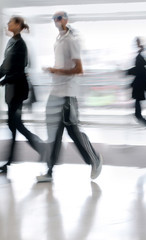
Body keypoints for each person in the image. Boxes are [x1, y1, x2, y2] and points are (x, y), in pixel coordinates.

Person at [36, 11, 103, 182]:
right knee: (54, 134)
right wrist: (54, 70)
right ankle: (50, 172)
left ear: (66, 20)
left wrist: (55, 71)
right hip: (56, 91)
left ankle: (94, 159)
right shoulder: (58, 40)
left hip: (67, 94)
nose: (56, 21)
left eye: (59, 18)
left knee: (73, 132)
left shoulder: (72, 40)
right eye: (54, 19)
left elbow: (79, 69)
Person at [0, 16, 44, 172]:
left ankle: (36, 150)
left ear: (18, 25)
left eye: (10, 22)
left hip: (18, 90)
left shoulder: (21, 45)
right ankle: (20, 156)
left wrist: (1, 82)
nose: (8, 24)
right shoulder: (11, 43)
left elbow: (18, 72)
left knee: (15, 124)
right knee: (14, 125)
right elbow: (5, 66)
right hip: (11, 91)